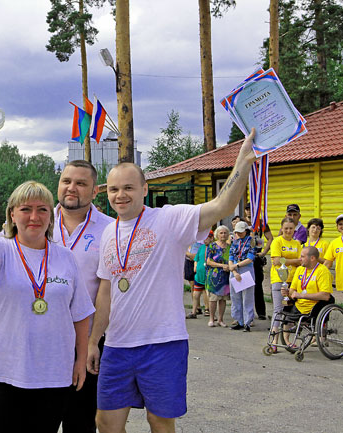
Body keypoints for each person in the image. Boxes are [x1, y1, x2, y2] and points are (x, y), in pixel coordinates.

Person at [87, 129, 259, 433]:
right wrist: (93, 341)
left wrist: (242, 162)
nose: (120, 195)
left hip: (162, 343)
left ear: (144, 188)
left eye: (128, 187)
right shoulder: (108, 233)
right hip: (117, 345)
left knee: (160, 421)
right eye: (113, 189)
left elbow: (222, 207)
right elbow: (106, 292)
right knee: (106, 422)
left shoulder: (169, 219)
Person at [0, 181, 95, 433]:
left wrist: (80, 360)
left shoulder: (66, 257)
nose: (34, 217)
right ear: (12, 214)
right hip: (1, 375)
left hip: (53, 374)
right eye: (25, 209)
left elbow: (80, 314)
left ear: (51, 215)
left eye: (42, 209)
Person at [54, 160, 115, 433]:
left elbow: (106, 289)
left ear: (95, 191)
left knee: (80, 422)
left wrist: (92, 342)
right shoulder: (36, 220)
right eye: (67, 181)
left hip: (86, 343)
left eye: (81, 183)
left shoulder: (110, 229)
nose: (71, 188)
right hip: (40, 342)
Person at [282, 246, 333, 334]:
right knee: (284, 312)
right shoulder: (299, 269)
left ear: (312, 258)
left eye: (302, 256)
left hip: (315, 306)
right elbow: (292, 290)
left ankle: (318, 335)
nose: (299, 259)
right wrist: (287, 293)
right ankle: (287, 342)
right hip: (299, 305)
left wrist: (301, 295)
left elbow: (325, 295)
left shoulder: (323, 271)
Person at [269, 217, 302, 350]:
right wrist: (294, 260)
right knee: (278, 310)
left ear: (295, 229)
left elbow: (301, 261)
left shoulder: (297, 244)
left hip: (293, 281)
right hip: (279, 280)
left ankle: (287, 341)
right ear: (282, 228)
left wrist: (286, 259)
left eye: (291, 228)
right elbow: (276, 261)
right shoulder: (277, 241)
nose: (288, 231)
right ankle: (274, 340)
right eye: (286, 228)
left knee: (289, 312)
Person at [244, 203, 273, 320]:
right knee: (245, 285)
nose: (249, 212)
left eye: (252, 209)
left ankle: (261, 312)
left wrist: (264, 252)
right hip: (244, 258)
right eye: (247, 209)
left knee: (258, 285)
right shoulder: (242, 222)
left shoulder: (261, 223)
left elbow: (270, 237)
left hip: (256, 257)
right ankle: (246, 314)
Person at [229, 221, 256, 332]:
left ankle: (247, 322)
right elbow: (230, 257)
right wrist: (234, 270)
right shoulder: (235, 242)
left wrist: (237, 265)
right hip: (235, 269)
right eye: (237, 232)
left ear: (246, 231)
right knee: (235, 296)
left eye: (241, 232)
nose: (239, 234)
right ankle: (238, 320)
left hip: (246, 268)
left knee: (247, 296)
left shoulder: (252, 241)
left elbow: (250, 258)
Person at [205, 226, 231, 328]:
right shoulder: (212, 246)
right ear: (217, 235)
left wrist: (229, 267)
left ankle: (221, 319)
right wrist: (222, 266)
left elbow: (232, 260)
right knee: (213, 298)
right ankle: (211, 319)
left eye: (225, 233)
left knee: (223, 299)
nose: (223, 235)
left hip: (225, 276)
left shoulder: (230, 247)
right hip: (214, 277)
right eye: (221, 233)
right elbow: (208, 261)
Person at [187, 231, 213, 319]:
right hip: (199, 274)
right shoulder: (201, 247)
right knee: (195, 294)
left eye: (207, 238)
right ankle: (194, 311)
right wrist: (195, 266)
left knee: (208, 293)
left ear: (211, 238)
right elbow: (196, 258)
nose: (205, 240)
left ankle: (209, 311)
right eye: (204, 238)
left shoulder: (213, 248)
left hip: (208, 274)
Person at [323, 213, 343, 292]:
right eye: (340, 224)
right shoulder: (334, 243)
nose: (342, 226)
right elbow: (328, 263)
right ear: (337, 227)